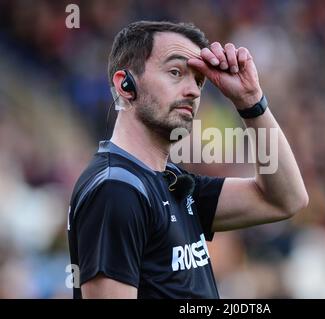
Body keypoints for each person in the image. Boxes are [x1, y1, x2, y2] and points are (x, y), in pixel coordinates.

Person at [67, 20, 308, 299]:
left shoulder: (171, 182)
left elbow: (284, 199)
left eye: (198, 80)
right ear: (125, 84)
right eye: (175, 72)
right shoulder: (116, 190)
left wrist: (251, 101)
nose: (193, 91)